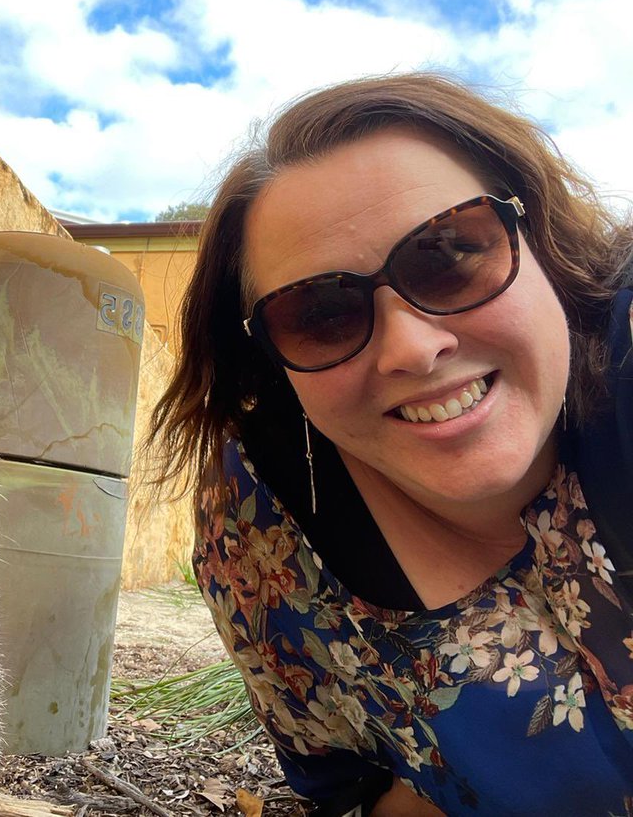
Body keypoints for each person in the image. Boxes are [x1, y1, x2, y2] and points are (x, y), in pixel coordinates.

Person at [148, 73, 633, 816]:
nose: (411, 348)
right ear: (270, 365)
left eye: (448, 255)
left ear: (538, 241)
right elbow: (365, 791)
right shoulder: (265, 536)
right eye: (320, 313)